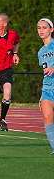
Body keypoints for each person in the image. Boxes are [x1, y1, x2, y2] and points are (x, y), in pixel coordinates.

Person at [37, 18, 54, 154]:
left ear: (51, 30)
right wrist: (42, 95)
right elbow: (45, 72)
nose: (41, 30)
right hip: (47, 89)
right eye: (39, 28)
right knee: (47, 117)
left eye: (44, 27)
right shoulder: (41, 52)